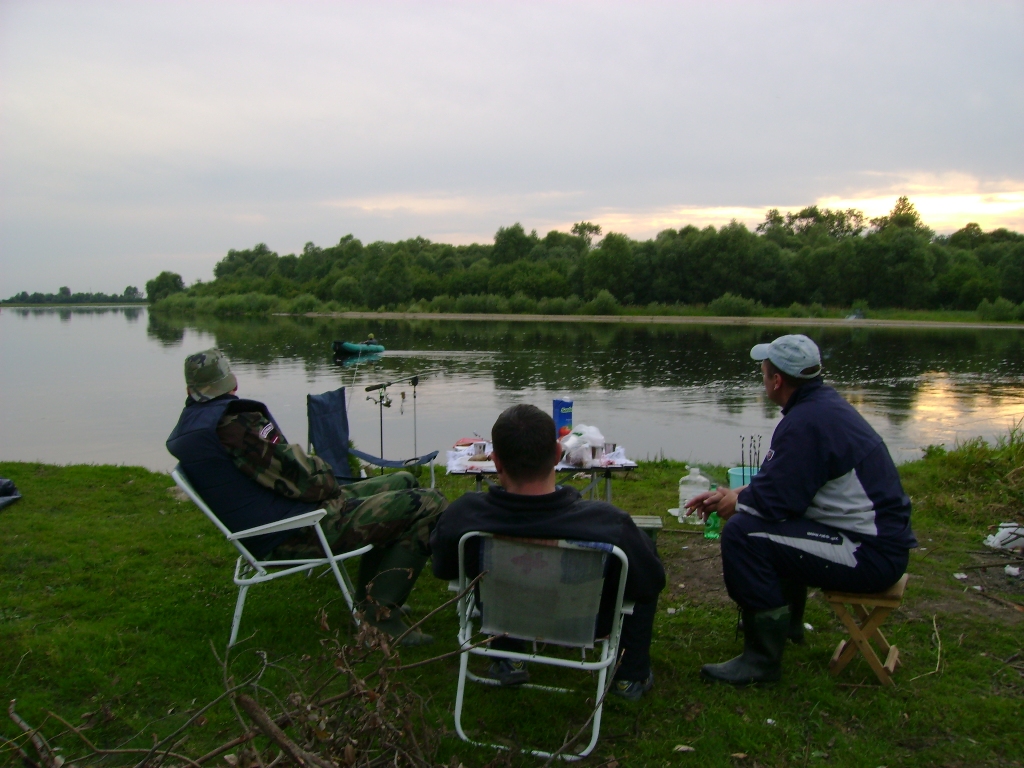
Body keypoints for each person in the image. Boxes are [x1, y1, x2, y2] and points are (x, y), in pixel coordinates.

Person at [166, 348, 447, 645]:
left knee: (403, 480)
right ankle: (378, 621)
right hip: (297, 531)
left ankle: (373, 597)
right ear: (231, 384)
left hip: (286, 517)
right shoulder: (236, 424)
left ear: (190, 389)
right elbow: (305, 479)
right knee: (429, 503)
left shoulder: (195, 424)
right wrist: (325, 474)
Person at [686, 334, 916, 685]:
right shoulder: (821, 409)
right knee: (764, 519)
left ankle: (761, 663)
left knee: (743, 534)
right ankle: (789, 625)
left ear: (776, 380)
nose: (762, 379)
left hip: (869, 554)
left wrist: (736, 504)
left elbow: (777, 501)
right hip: (879, 544)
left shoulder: (806, 423)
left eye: (763, 373)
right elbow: (789, 484)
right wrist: (733, 495)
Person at [430, 404, 664, 700]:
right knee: (644, 560)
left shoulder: (465, 515)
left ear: (496, 462)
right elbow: (650, 583)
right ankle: (630, 676)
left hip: (504, 616)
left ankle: (507, 657)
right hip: (586, 622)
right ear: (557, 454)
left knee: (502, 579)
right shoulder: (608, 523)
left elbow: (444, 569)